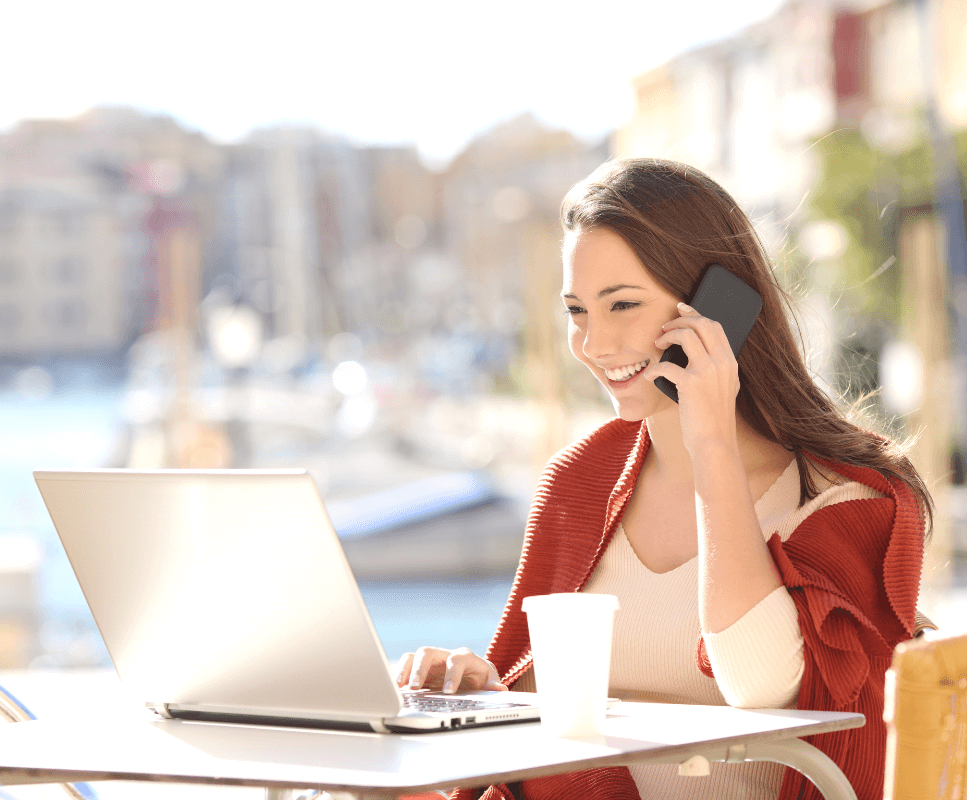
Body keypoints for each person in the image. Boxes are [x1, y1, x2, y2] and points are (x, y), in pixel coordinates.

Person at [395, 157, 932, 800]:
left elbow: (757, 680)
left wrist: (710, 443)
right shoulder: (578, 483)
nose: (594, 343)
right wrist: (480, 687)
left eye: (623, 304)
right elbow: (538, 711)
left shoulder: (849, 500)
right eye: (577, 310)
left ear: (718, 305)